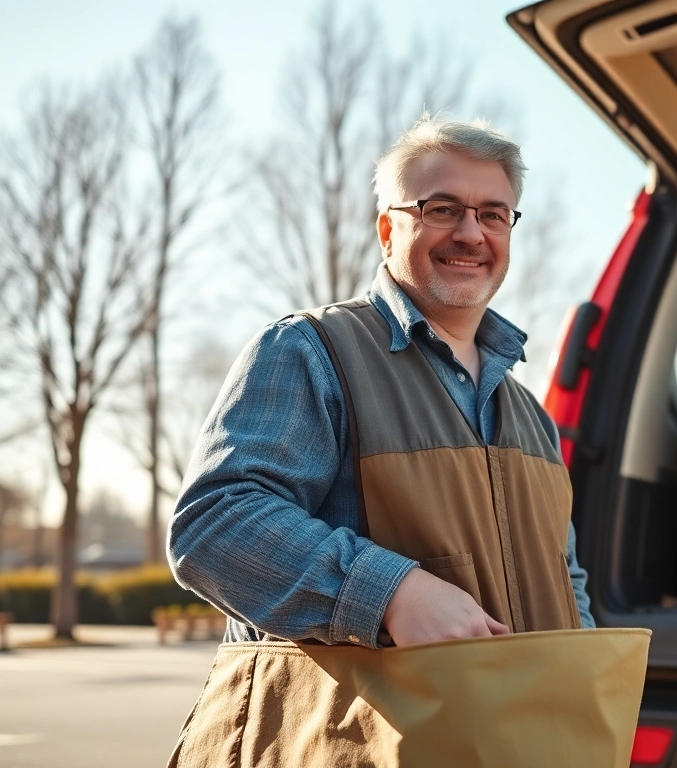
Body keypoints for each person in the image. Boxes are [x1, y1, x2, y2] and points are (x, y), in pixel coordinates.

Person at [168, 114, 593, 654]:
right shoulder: (310, 351)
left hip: (519, 735)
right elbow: (214, 528)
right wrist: (390, 593)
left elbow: (567, 583)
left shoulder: (533, 418)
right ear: (388, 230)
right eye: (441, 209)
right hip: (363, 737)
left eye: (493, 214)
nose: (471, 233)